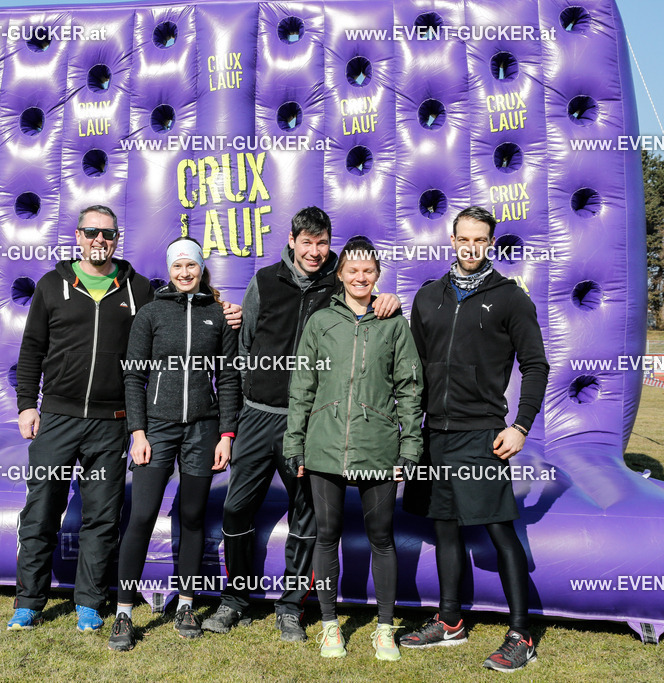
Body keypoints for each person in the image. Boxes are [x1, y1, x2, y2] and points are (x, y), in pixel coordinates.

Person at [9, 206, 241, 632]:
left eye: (108, 233)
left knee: (102, 516)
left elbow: (186, 313)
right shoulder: (51, 284)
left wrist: (225, 310)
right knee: (41, 510)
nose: (100, 239)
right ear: (79, 235)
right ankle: (28, 602)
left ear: (117, 237)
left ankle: (90, 604)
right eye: (92, 232)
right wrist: (27, 404)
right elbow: (31, 350)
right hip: (58, 416)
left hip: (112, 421)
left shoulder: (138, 288)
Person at [202, 208, 402, 642]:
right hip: (258, 414)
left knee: (306, 515)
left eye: (322, 242)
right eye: (306, 242)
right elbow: (243, 346)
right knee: (236, 508)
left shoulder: (340, 281)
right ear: (292, 241)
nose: (315, 251)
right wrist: (232, 422)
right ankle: (235, 598)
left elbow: (367, 301)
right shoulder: (264, 281)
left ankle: (291, 606)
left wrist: (390, 298)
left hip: (311, 422)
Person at [400, 206, 549, 673]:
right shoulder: (428, 296)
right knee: (444, 525)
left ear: (491, 243)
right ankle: (449, 621)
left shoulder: (510, 298)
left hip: (482, 432)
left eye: (480, 240)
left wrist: (520, 425)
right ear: (451, 239)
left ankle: (522, 633)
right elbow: (410, 370)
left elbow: (536, 365)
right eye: (464, 239)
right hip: (434, 433)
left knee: (498, 528)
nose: (471, 248)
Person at [283, 237, 423, 661]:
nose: (360, 278)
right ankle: (329, 626)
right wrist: (295, 443)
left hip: (377, 449)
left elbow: (410, 389)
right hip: (324, 447)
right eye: (352, 271)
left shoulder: (395, 323)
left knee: (381, 538)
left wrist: (410, 449)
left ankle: (384, 628)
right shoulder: (321, 321)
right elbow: (301, 387)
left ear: (376, 275)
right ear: (340, 274)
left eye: (368, 271)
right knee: (326, 537)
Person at [108, 237, 241, 651]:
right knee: (143, 515)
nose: (185, 273)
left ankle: (186, 604)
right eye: (178, 266)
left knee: (193, 516)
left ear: (201, 268)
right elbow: (134, 377)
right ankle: (124, 612)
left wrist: (225, 434)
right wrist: (138, 432)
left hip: (203, 430)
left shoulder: (217, 316)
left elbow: (230, 378)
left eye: (192, 266)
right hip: (157, 430)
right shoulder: (150, 314)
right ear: (169, 269)